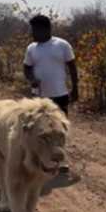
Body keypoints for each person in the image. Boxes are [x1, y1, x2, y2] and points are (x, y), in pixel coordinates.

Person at [24, 14, 78, 174]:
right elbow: (26, 68)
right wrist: (31, 78)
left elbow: (72, 67)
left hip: (60, 95)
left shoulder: (62, 45)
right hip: (39, 99)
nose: (33, 33)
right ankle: (42, 160)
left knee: (59, 131)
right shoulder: (31, 48)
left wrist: (75, 88)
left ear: (46, 29)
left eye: (35, 30)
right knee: (41, 131)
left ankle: (60, 162)